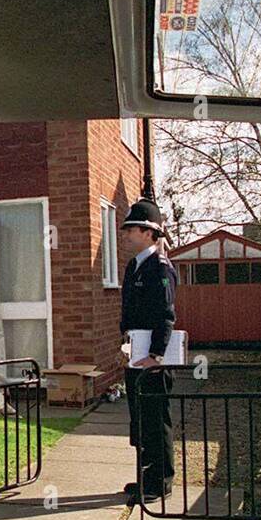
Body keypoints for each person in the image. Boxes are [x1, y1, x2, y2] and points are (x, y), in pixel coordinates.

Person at [118, 198, 177, 502]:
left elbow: (166, 316)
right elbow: (128, 313)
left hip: (152, 359)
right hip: (135, 356)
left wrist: (156, 355)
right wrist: (124, 344)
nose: (126, 234)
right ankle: (146, 477)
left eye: (132, 229)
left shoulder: (160, 267)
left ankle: (160, 482)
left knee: (156, 419)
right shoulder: (134, 267)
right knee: (140, 420)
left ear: (149, 232)